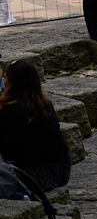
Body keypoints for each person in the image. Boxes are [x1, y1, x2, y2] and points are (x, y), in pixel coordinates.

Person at [0, 60, 71, 191]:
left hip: (30, 176)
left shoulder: (6, 112)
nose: (3, 80)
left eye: (5, 78)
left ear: (10, 83)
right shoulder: (46, 105)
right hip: (61, 169)